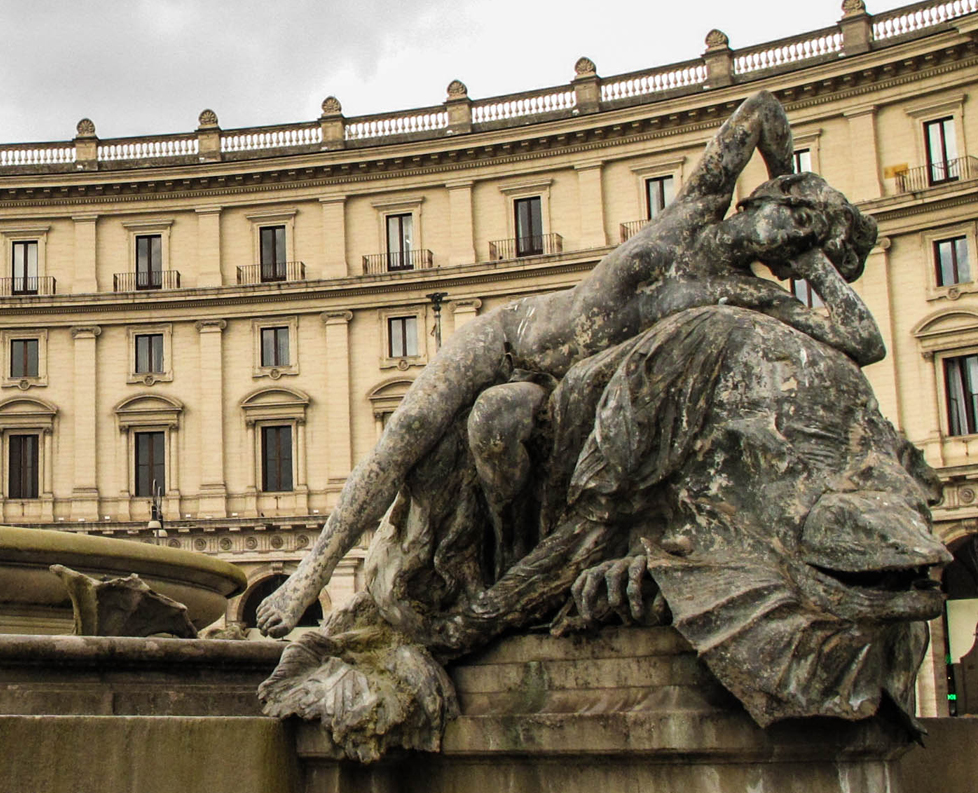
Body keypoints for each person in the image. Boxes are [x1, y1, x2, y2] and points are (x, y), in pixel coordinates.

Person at [256, 90, 881, 636]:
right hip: (508, 337)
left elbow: (865, 340)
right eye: (790, 216)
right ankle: (311, 574)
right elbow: (764, 109)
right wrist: (789, 179)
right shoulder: (697, 206)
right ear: (765, 199)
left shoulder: (746, 292)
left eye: (803, 236)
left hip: (554, 392)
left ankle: (508, 563)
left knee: (499, 440)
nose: (787, 233)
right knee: (403, 440)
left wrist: (815, 263)